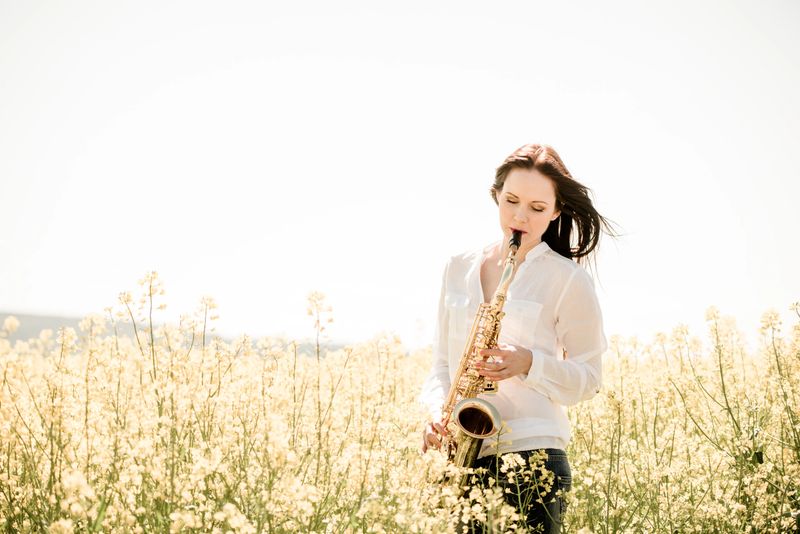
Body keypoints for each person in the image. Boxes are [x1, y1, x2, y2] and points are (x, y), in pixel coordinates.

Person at [419, 143, 614, 533]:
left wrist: (530, 363)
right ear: (496, 195)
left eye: (537, 208)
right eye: (510, 201)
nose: (519, 217)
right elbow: (441, 363)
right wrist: (434, 412)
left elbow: (589, 379)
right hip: (461, 459)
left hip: (534, 456)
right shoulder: (457, 267)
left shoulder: (568, 279)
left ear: (556, 211)